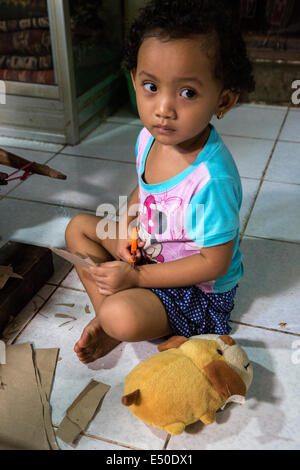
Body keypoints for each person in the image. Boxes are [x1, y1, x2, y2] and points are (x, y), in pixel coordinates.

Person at [65, 0, 255, 364]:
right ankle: (108, 319)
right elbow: (145, 187)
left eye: (187, 93)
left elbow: (214, 263)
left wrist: (136, 280)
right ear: (134, 79)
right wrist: (124, 225)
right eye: (151, 86)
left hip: (194, 290)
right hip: (148, 252)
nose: (163, 108)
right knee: (78, 228)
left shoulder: (211, 179)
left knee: (121, 313)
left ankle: (117, 319)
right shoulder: (148, 137)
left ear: (225, 99)